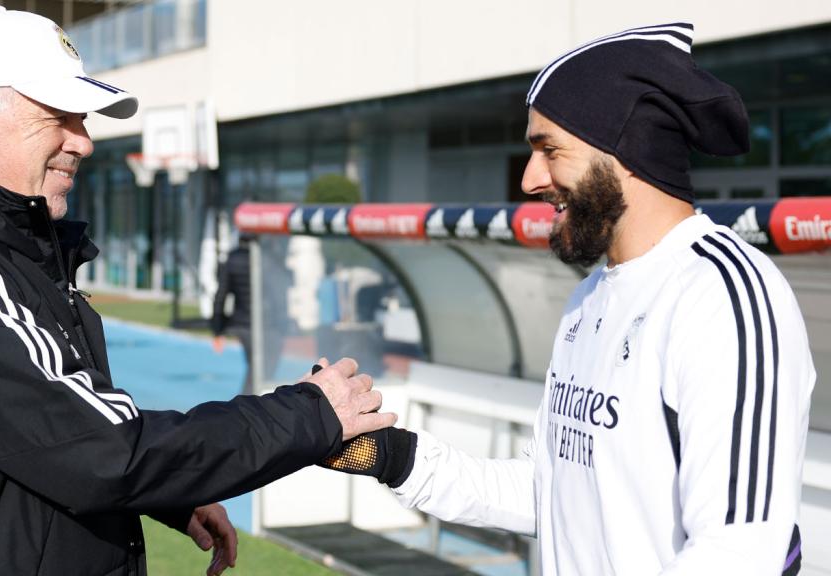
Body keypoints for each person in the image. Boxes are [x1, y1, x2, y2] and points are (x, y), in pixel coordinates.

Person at [0, 8, 395, 576]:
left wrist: (169, 496)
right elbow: (102, 450)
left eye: (83, 119)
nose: (84, 141)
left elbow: (45, 433)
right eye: (60, 116)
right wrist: (311, 414)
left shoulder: (3, 248)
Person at [321, 23, 814, 575]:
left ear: (625, 148)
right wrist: (386, 454)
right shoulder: (588, 299)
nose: (530, 179)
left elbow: (741, 553)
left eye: (549, 150)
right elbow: (551, 489)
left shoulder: (721, 295)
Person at [211, 233, 255, 395]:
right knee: (258, 369)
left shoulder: (232, 259)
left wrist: (217, 329)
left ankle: (249, 404)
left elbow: (221, 295)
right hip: (262, 324)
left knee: (255, 367)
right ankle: (247, 407)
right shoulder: (266, 257)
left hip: (241, 322)